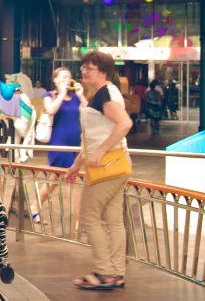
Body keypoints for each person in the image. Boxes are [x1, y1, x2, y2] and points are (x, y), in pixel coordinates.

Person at [65, 50, 132, 290]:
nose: (83, 71)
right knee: (113, 220)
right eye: (83, 67)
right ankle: (116, 272)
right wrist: (76, 166)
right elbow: (94, 138)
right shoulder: (104, 93)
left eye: (88, 68)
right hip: (116, 164)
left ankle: (104, 271)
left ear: (102, 71)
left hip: (109, 165)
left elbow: (125, 124)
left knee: (89, 215)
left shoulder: (106, 93)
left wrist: (101, 151)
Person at [29, 67, 87, 224]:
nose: (67, 79)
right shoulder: (50, 95)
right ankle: (78, 221)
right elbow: (50, 110)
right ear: (55, 80)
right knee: (72, 181)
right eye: (63, 77)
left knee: (54, 179)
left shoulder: (75, 97)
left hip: (74, 144)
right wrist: (61, 94)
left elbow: (88, 111)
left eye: (69, 77)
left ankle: (34, 207)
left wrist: (81, 96)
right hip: (59, 144)